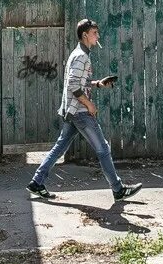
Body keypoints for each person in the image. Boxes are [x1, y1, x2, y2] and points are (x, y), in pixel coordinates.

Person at [27, 18, 142, 201]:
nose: (98, 36)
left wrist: (98, 83)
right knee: (103, 148)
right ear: (85, 35)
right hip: (80, 112)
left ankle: (36, 182)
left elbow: (80, 81)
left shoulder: (79, 54)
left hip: (72, 110)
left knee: (59, 147)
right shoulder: (81, 56)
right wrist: (89, 104)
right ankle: (118, 189)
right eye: (95, 33)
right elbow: (73, 85)